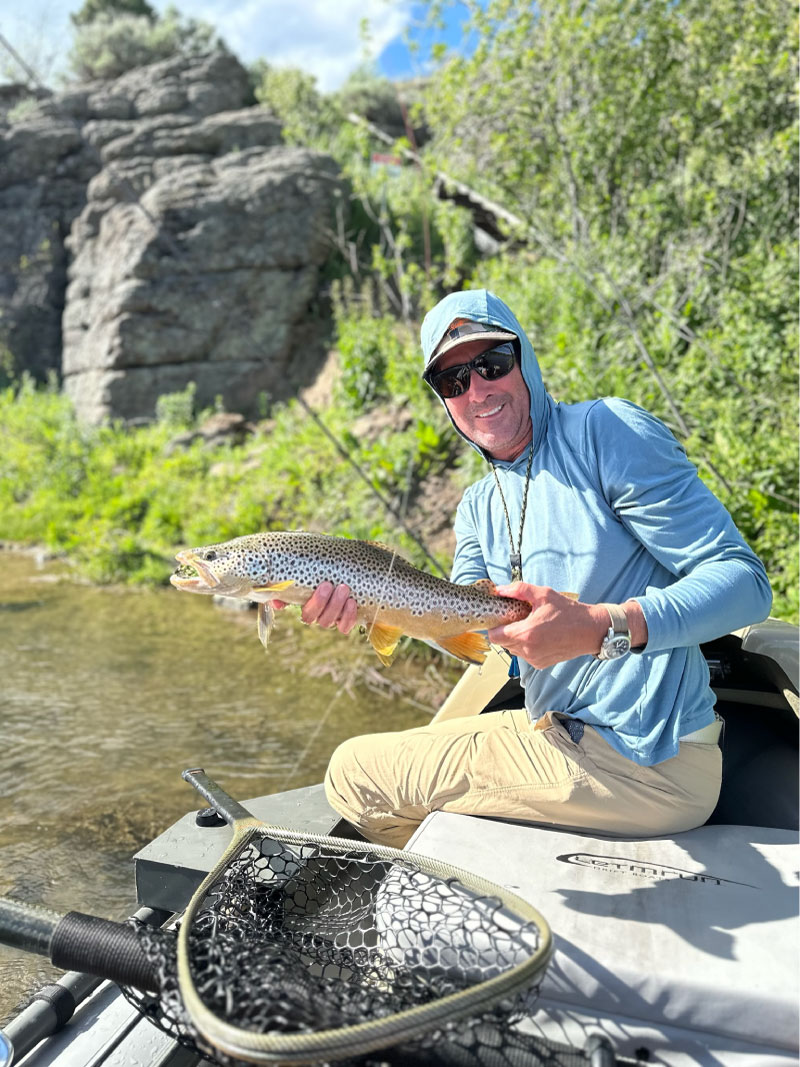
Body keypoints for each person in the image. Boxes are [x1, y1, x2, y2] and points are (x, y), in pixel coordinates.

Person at [299, 289, 772, 849]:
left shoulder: (605, 433)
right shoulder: (476, 506)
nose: (476, 389)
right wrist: (368, 605)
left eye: (491, 364)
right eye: (452, 381)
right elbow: (470, 629)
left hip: (648, 760)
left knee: (355, 772)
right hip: (558, 735)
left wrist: (603, 625)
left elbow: (745, 583)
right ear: (442, 399)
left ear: (524, 358)